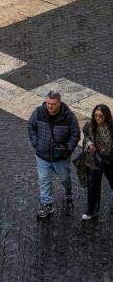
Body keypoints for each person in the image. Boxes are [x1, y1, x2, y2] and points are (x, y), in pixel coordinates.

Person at [28, 91, 80, 219]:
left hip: (60, 157)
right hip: (42, 156)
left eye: (53, 104)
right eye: (48, 103)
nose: (50, 106)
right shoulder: (38, 112)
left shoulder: (69, 117)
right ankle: (47, 204)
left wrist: (67, 149)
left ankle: (68, 190)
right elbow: (31, 126)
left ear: (59, 103)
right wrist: (36, 142)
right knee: (44, 180)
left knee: (65, 178)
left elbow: (75, 134)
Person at [80, 104, 113, 220]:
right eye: (95, 115)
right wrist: (89, 143)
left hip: (110, 161)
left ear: (106, 116)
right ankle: (92, 211)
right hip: (94, 160)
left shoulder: (111, 128)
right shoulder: (90, 125)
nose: (97, 118)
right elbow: (86, 136)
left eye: (100, 116)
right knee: (93, 186)